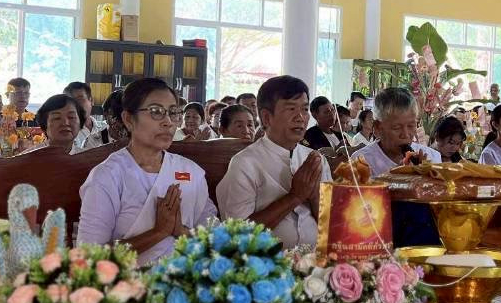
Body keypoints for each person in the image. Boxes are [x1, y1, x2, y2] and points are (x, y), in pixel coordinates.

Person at [78, 78, 216, 263]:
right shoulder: (108, 176)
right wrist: (158, 232)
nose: (168, 122)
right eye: (156, 112)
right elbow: (90, 257)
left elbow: (216, 242)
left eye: (173, 113)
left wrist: (181, 231)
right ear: (129, 119)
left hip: (186, 282)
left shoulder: (189, 171)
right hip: (128, 287)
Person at [218, 76, 330, 252]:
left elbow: (332, 226)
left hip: (316, 261)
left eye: (305, 109)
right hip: (267, 267)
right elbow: (238, 235)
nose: (300, 117)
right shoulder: (245, 163)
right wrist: (295, 197)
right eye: (291, 109)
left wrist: (315, 197)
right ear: (266, 117)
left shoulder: (315, 159)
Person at [352, 87, 443, 177]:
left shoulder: (433, 158)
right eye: (397, 127)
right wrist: (397, 176)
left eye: (411, 126)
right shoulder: (361, 162)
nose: (406, 134)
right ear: (377, 128)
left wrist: (427, 177)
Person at [64, 82, 105, 151]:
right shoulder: (65, 134)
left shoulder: (105, 128)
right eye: (72, 101)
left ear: (91, 101)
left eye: (80, 99)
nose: (76, 105)